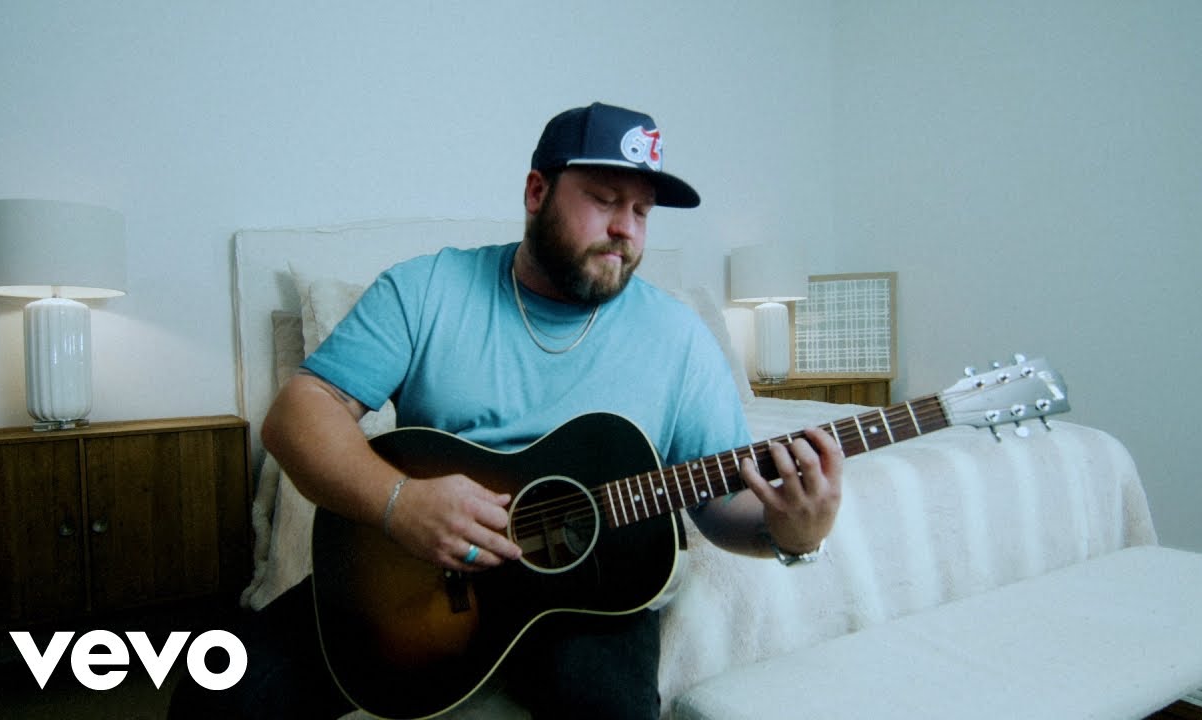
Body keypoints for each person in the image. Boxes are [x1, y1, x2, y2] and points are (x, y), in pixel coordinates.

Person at [168, 102, 842, 720]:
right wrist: (400, 502)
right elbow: (298, 413)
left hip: (594, 591)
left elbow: (719, 505)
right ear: (536, 192)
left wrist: (793, 534)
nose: (624, 229)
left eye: (641, 211)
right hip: (423, 580)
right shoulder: (426, 289)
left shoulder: (681, 338)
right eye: (604, 199)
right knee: (218, 686)